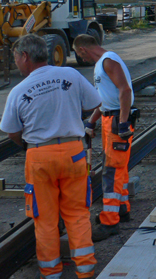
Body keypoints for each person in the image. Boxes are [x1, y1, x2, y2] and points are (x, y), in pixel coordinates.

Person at [1, 34, 100, 279]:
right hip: (73, 154)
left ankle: (51, 272)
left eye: (15, 58)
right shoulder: (71, 75)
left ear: (25, 56)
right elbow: (95, 102)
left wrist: (29, 145)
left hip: (40, 157)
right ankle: (86, 270)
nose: (16, 63)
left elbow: (12, 129)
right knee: (77, 214)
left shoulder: (19, 90)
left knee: (44, 219)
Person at [72, 34, 134, 242]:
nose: (82, 59)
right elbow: (105, 99)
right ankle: (122, 209)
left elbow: (125, 90)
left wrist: (123, 122)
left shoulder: (108, 61)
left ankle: (109, 221)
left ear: (82, 50)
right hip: (111, 118)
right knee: (118, 167)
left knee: (111, 171)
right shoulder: (102, 64)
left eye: (80, 54)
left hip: (117, 120)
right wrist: (92, 121)